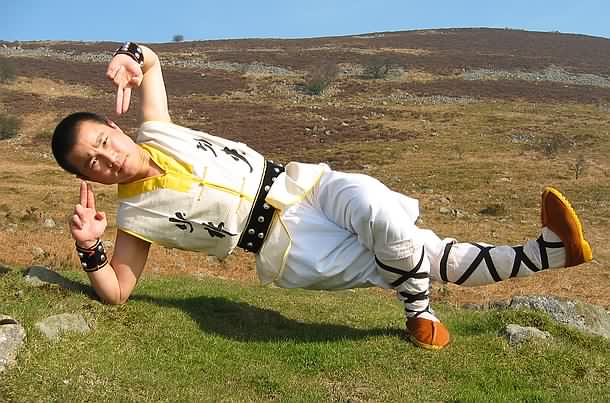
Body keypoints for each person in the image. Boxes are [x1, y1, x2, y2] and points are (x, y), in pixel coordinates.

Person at [51, 42, 593, 350]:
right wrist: (91, 249)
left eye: (102, 141)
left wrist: (129, 55)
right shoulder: (135, 217)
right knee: (423, 253)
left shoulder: (156, 128)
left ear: (113, 126)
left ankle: (417, 308)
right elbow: (118, 292)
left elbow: (153, 63)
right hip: (286, 248)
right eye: (91, 164)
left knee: (378, 208)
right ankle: (549, 252)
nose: (106, 158)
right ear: (93, 179)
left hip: (303, 184)